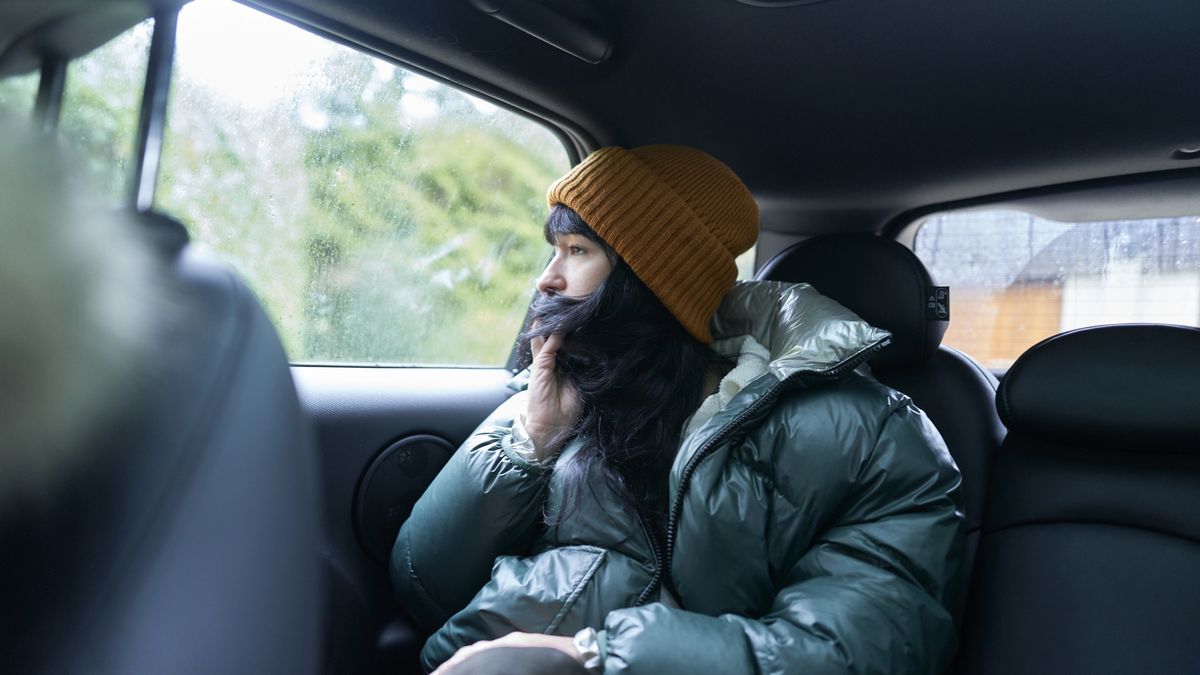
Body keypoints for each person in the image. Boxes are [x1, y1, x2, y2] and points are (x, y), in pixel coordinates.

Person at [391, 145, 965, 674]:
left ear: (652, 278)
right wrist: (533, 440)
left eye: (577, 250)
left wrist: (595, 659)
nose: (548, 278)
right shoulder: (560, 392)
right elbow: (425, 587)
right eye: (554, 250)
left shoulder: (876, 438)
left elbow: (854, 652)